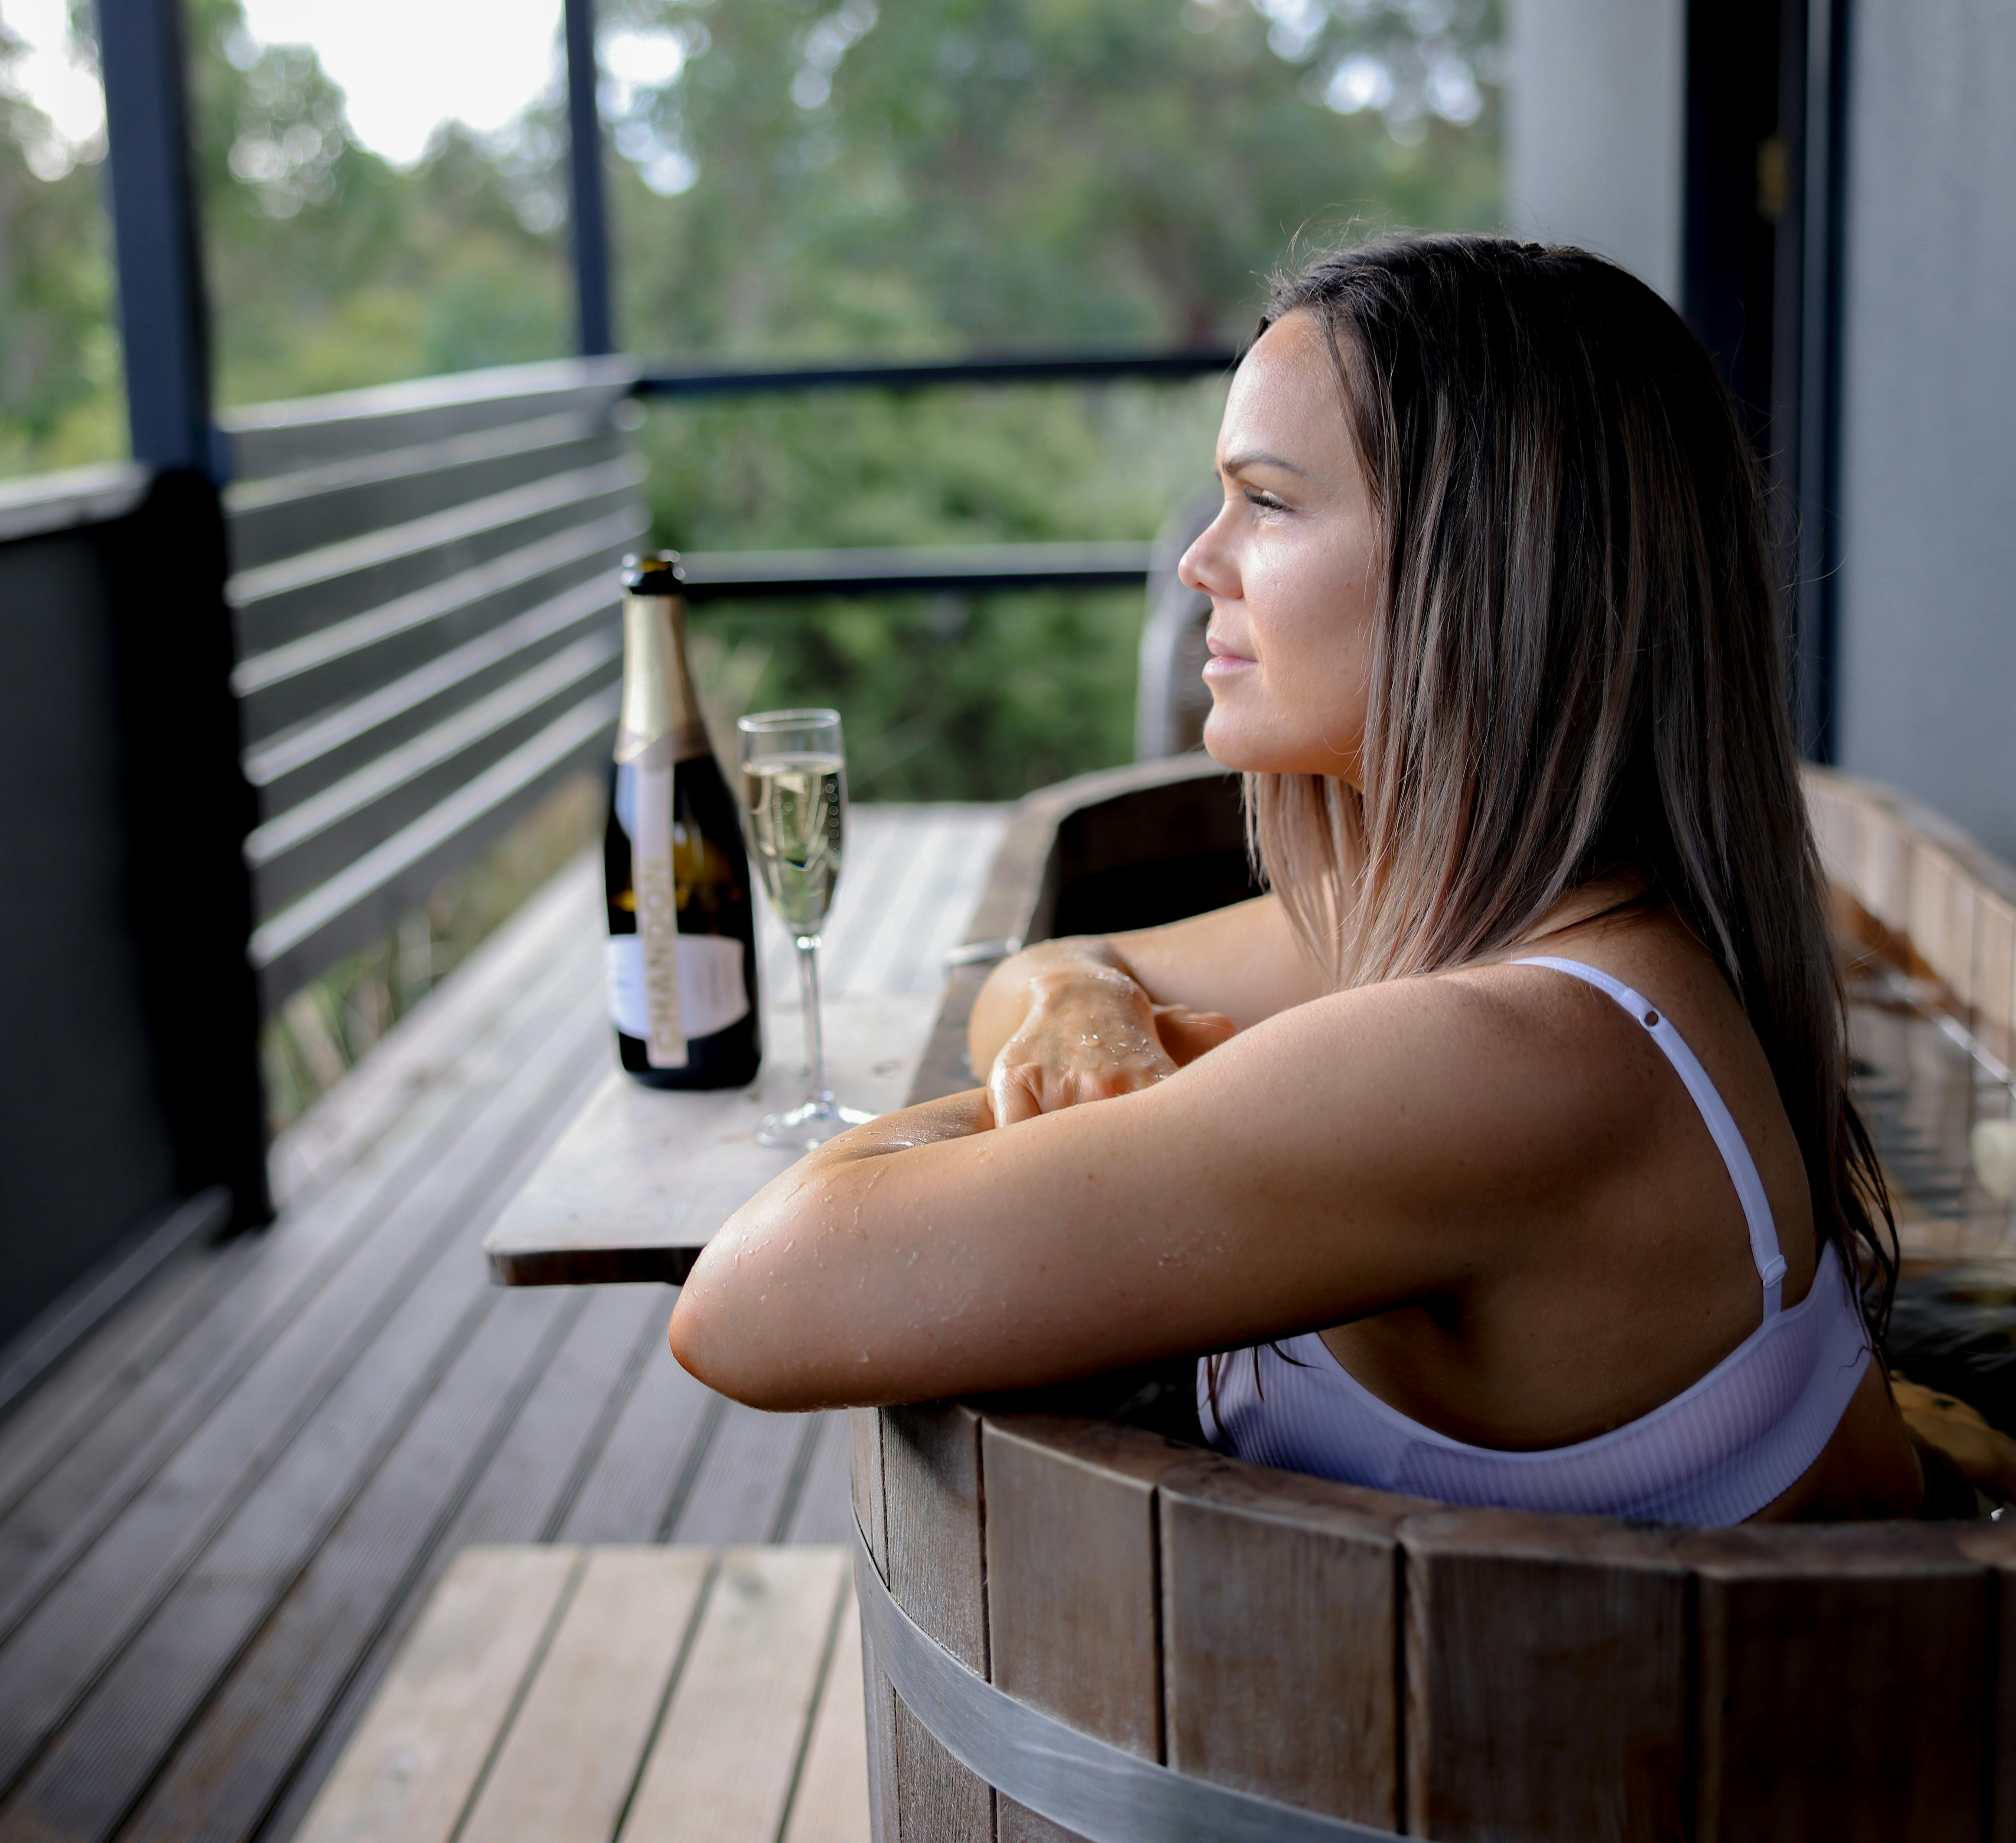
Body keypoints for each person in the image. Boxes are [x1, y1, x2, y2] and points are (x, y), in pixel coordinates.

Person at [673, 235, 1923, 1525]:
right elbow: (1046, 973)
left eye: (1266, 502)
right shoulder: (1476, 926)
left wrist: (1096, 1117)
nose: (1198, 562)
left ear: (1485, 566)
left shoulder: (1518, 1055)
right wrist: (1086, 1019)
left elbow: (753, 1298)